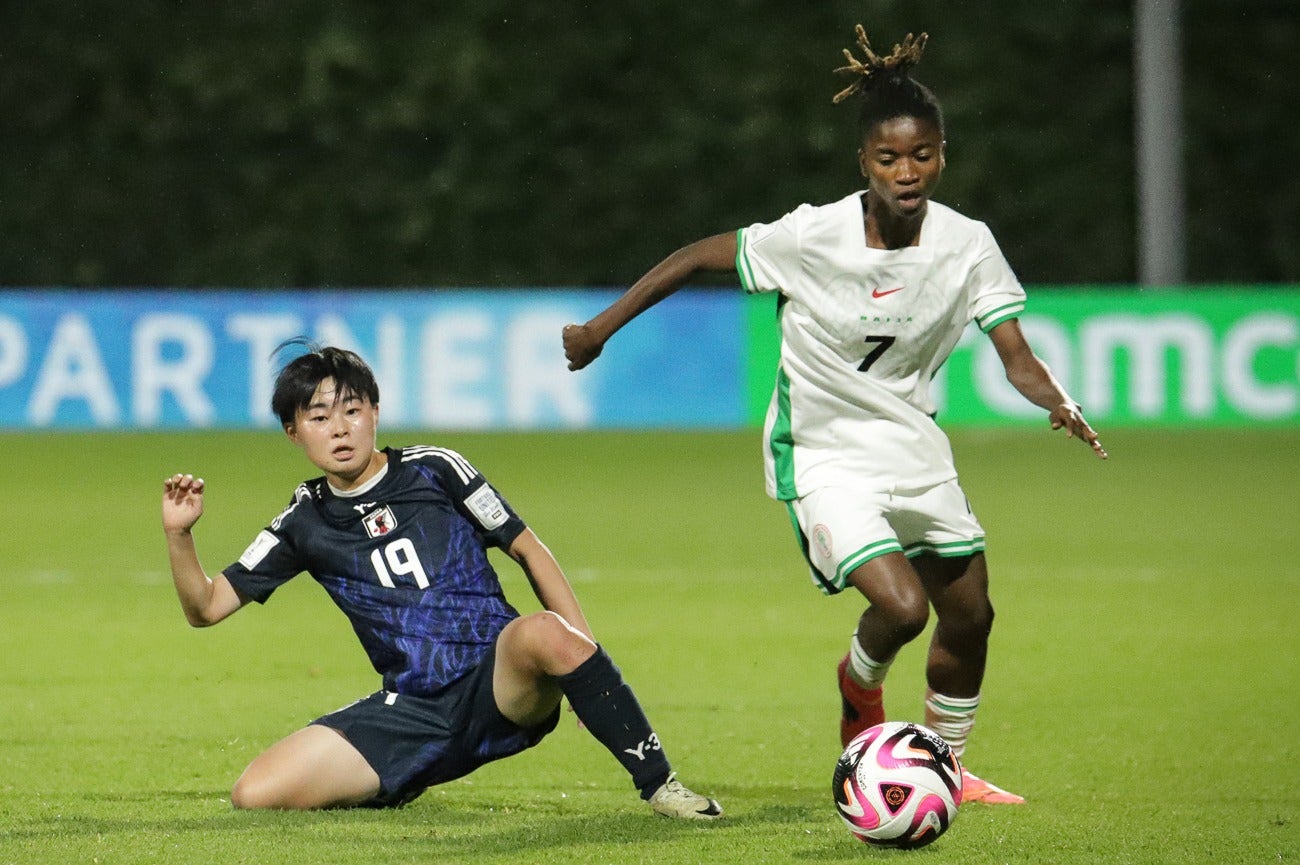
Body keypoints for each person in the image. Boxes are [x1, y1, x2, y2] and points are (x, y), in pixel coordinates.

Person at [562, 26, 1106, 806]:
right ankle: (860, 699)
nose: (907, 172)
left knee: (971, 613)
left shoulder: (968, 244)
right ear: (864, 163)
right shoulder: (813, 234)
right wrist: (598, 330)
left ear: (943, 153)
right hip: (821, 450)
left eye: (922, 155)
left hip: (913, 445)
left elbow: (1015, 352)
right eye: (889, 158)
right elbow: (694, 257)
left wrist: (1057, 399)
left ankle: (943, 769)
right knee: (902, 606)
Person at [160, 341, 722, 819]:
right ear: (293, 433)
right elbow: (205, 607)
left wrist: (582, 653)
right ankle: (397, 780)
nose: (340, 429)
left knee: (542, 632)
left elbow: (528, 549)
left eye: (352, 410)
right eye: (319, 417)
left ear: (375, 412)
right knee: (254, 794)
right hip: (411, 708)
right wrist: (180, 535)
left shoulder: (436, 469)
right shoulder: (303, 521)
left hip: (499, 682)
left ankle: (660, 784)